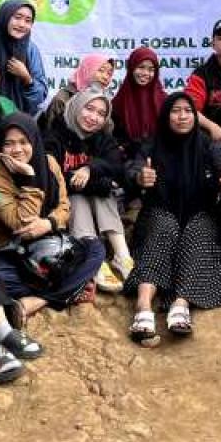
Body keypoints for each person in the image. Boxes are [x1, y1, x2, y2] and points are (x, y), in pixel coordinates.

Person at [124, 93, 221, 343]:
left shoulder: (207, 145)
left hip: (199, 214)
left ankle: (181, 304)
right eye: (175, 111)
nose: (182, 117)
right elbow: (133, 168)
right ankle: (143, 304)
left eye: (187, 111)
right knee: (163, 226)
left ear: (195, 116)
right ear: (166, 115)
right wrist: (139, 178)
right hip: (159, 212)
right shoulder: (152, 143)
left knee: (199, 231)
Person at [0, 113, 107, 317]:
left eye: (24, 142)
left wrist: (49, 223)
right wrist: (29, 178)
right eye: (9, 143)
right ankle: (73, 289)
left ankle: (37, 301)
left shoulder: (49, 163)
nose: (17, 149)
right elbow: (20, 224)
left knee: (96, 248)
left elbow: (64, 206)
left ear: (34, 139)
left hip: (49, 243)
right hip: (9, 249)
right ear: (0, 146)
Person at [44, 87, 133, 294]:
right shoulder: (54, 135)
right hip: (64, 202)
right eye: (89, 109)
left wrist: (89, 168)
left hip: (98, 201)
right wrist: (97, 182)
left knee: (103, 194)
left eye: (101, 114)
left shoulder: (102, 138)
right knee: (80, 198)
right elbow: (52, 178)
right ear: (76, 106)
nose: (93, 118)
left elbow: (118, 167)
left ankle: (122, 255)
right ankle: (96, 260)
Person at [0, 0, 49, 115]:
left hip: (18, 121)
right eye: (17, 17)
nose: (22, 24)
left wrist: (27, 78)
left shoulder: (30, 50)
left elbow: (40, 97)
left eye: (28, 20)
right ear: (5, 17)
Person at [38, 53, 116, 134]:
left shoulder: (104, 101)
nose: (105, 77)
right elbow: (49, 133)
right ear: (88, 70)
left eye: (109, 74)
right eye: (101, 70)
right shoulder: (62, 99)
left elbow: (107, 133)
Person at [113, 46, 168, 154]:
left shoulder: (165, 102)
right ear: (131, 67)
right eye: (141, 67)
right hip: (128, 162)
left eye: (151, 69)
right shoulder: (118, 103)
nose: (145, 73)